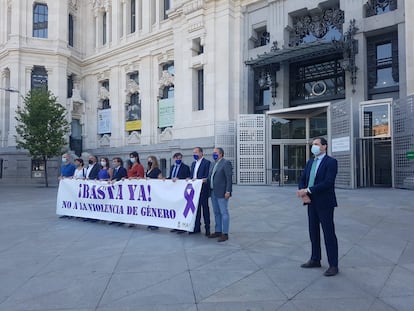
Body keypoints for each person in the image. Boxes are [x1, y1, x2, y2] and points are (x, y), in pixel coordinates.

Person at [296, 137, 339, 277]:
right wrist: (303, 193)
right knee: (313, 231)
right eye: (312, 144)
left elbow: (328, 182)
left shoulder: (331, 162)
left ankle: (333, 265)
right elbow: (303, 179)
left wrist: (308, 190)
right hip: (310, 202)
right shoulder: (310, 162)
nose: (313, 146)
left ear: (324, 146)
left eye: (316, 144)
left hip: (325, 203)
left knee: (328, 233)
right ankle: (315, 259)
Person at [208, 147, 233, 242]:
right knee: (216, 212)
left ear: (221, 154)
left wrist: (228, 191)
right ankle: (218, 231)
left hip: (222, 192)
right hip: (213, 192)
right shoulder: (213, 164)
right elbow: (210, 176)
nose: (213, 154)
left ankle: (225, 233)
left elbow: (229, 178)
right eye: (213, 152)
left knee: (224, 212)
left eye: (215, 153)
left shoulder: (226, 163)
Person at [190, 147, 211, 236]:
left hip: (203, 189)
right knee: (196, 209)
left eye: (196, 152)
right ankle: (196, 227)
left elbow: (207, 176)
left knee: (205, 208)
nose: (195, 154)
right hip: (195, 190)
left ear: (201, 153)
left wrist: (202, 180)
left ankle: (207, 228)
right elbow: (192, 175)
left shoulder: (207, 163)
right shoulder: (193, 164)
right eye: (193, 153)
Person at [168, 152, 191, 233]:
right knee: (175, 208)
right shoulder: (172, 167)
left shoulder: (186, 167)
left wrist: (179, 179)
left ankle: (182, 227)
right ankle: (175, 225)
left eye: (180, 158)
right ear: (174, 158)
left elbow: (188, 177)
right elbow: (170, 177)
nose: (179, 159)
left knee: (182, 209)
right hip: (173, 191)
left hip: (181, 191)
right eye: (177, 158)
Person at [146, 155, 163, 230]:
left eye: (151, 160)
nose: (149, 162)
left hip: (155, 191)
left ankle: (156, 224)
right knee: (150, 207)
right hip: (149, 190)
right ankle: (150, 222)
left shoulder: (157, 170)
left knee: (155, 207)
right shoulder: (148, 170)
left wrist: (152, 179)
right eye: (148, 160)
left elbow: (160, 179)